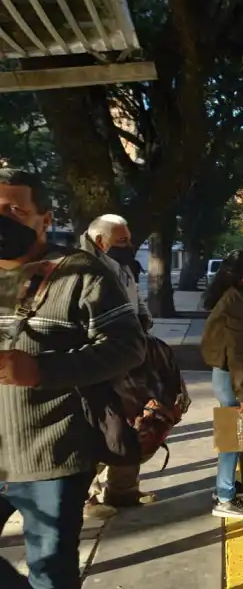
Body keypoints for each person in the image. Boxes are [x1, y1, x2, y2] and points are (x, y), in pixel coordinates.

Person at [0, 169, 146, 589]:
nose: (4, 218)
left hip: (50, 454)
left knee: (50, 573)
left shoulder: (80, 273)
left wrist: (44, 370)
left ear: (44, 219)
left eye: (15, 209)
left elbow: (127, 347)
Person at [79, 214, 155, 515]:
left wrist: (144, 320)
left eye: (129, 239)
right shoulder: (81, 269)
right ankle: (88, 495)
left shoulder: (121, 265)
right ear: (101, 242)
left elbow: (136, 297)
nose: (130, 245)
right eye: (123, 240)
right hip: (97, 363)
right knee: (100, 430)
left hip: (128, 357)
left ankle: (123, 490)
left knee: (134, 424)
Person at [200, 250, 243, 520]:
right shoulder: (237, 304)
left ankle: (226, 486)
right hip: (234, 378)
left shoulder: (238, 299)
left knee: (235, 436)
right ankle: (225, 499)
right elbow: (237, 352)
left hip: (233, 377)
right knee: (233, 438)